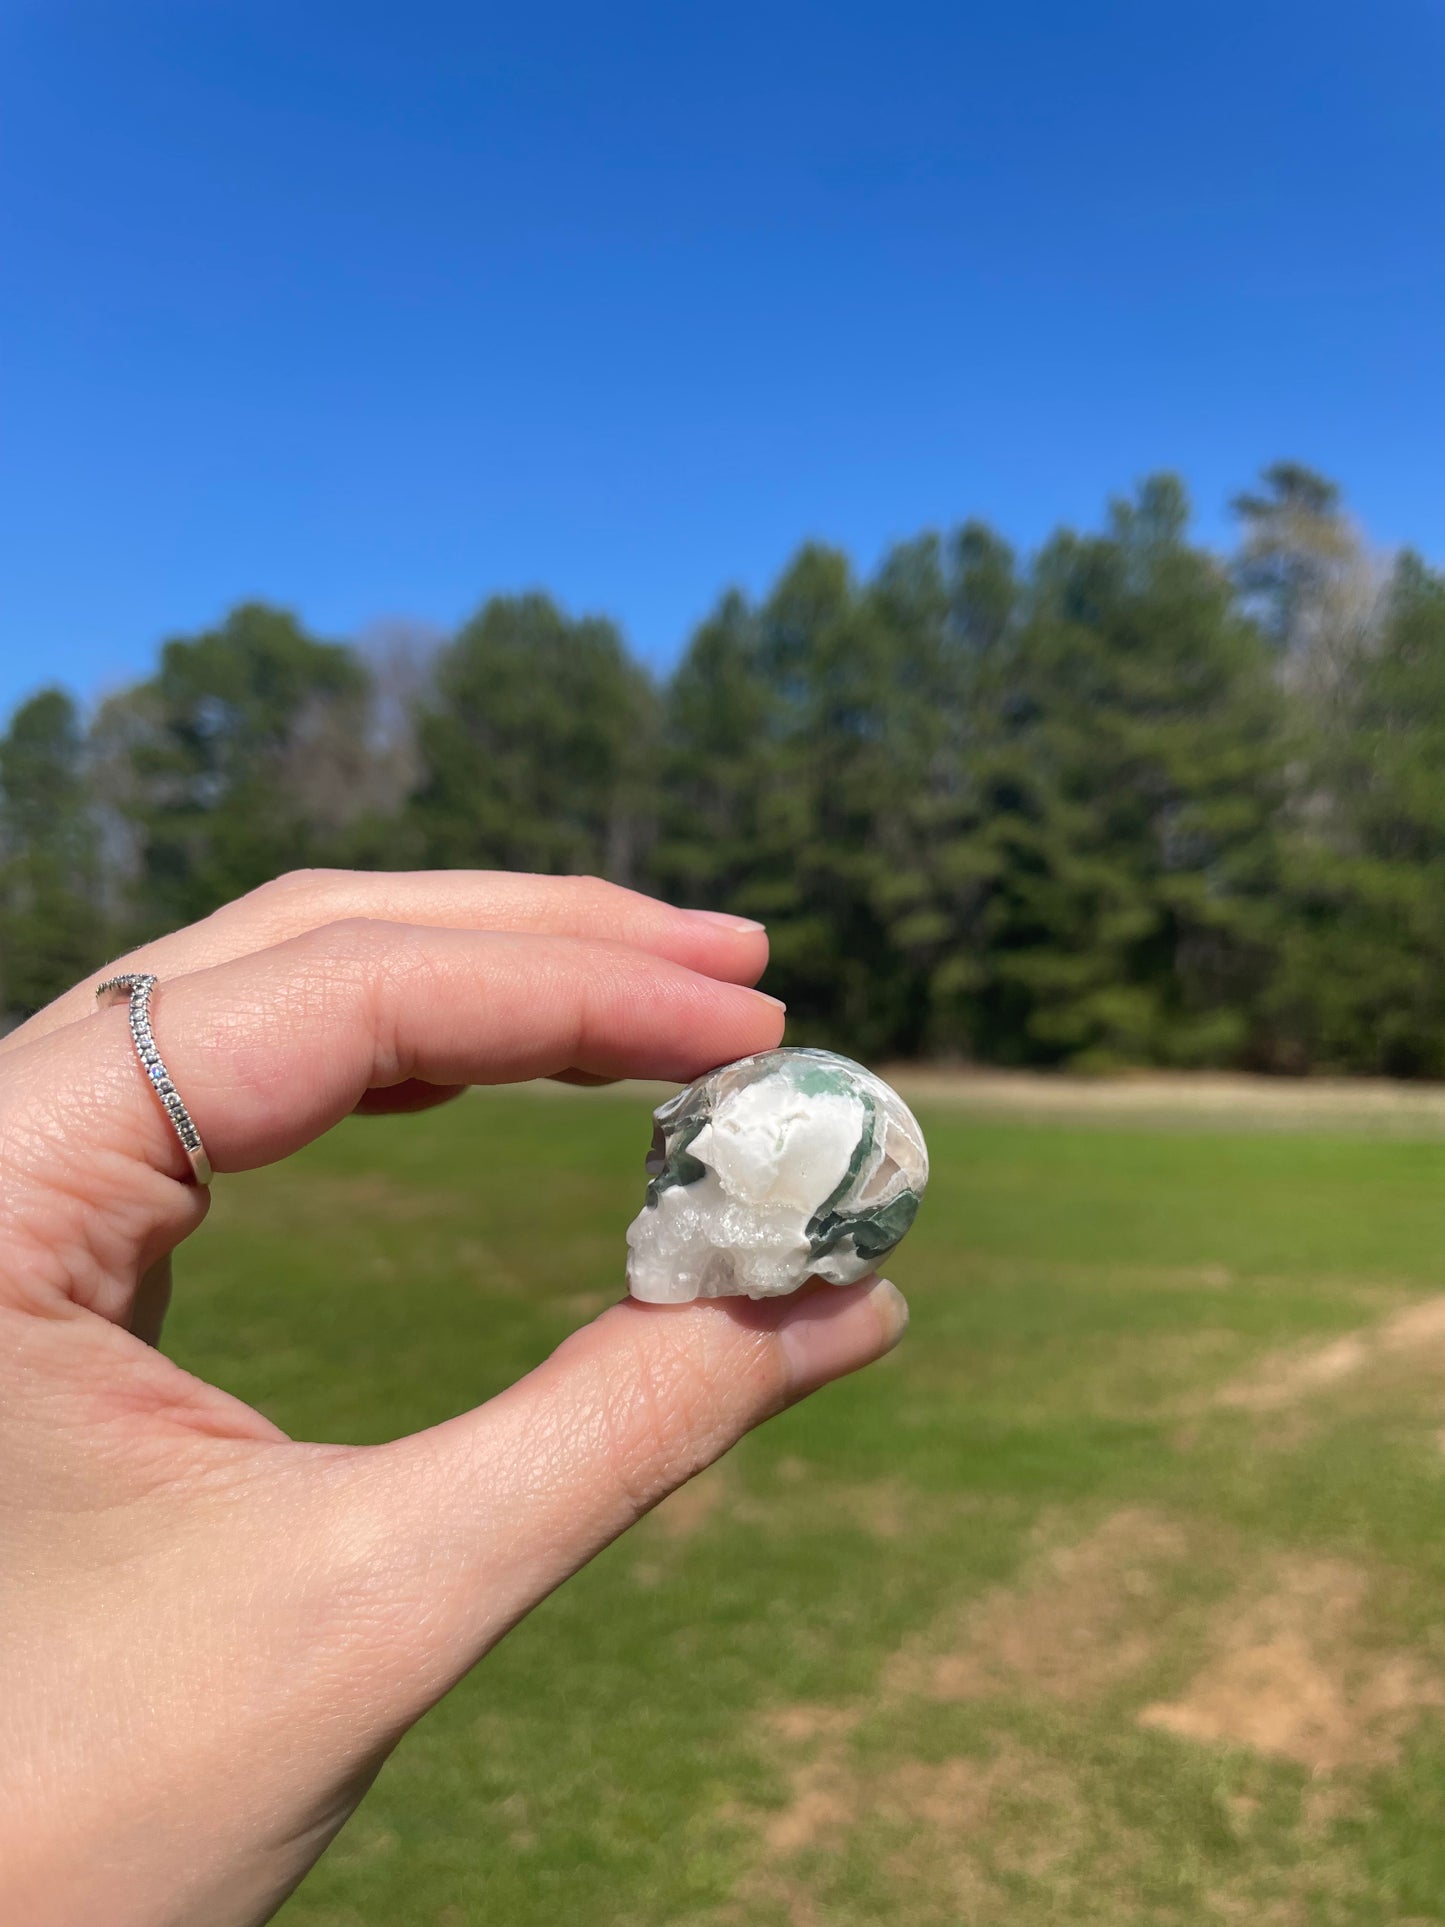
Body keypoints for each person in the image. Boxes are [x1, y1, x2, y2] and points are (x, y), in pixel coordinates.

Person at [0, 870, 908, 1926]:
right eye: (674, 1171)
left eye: (695, 1181)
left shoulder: (801, 1192)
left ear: (794, 1233)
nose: (663, 1204)